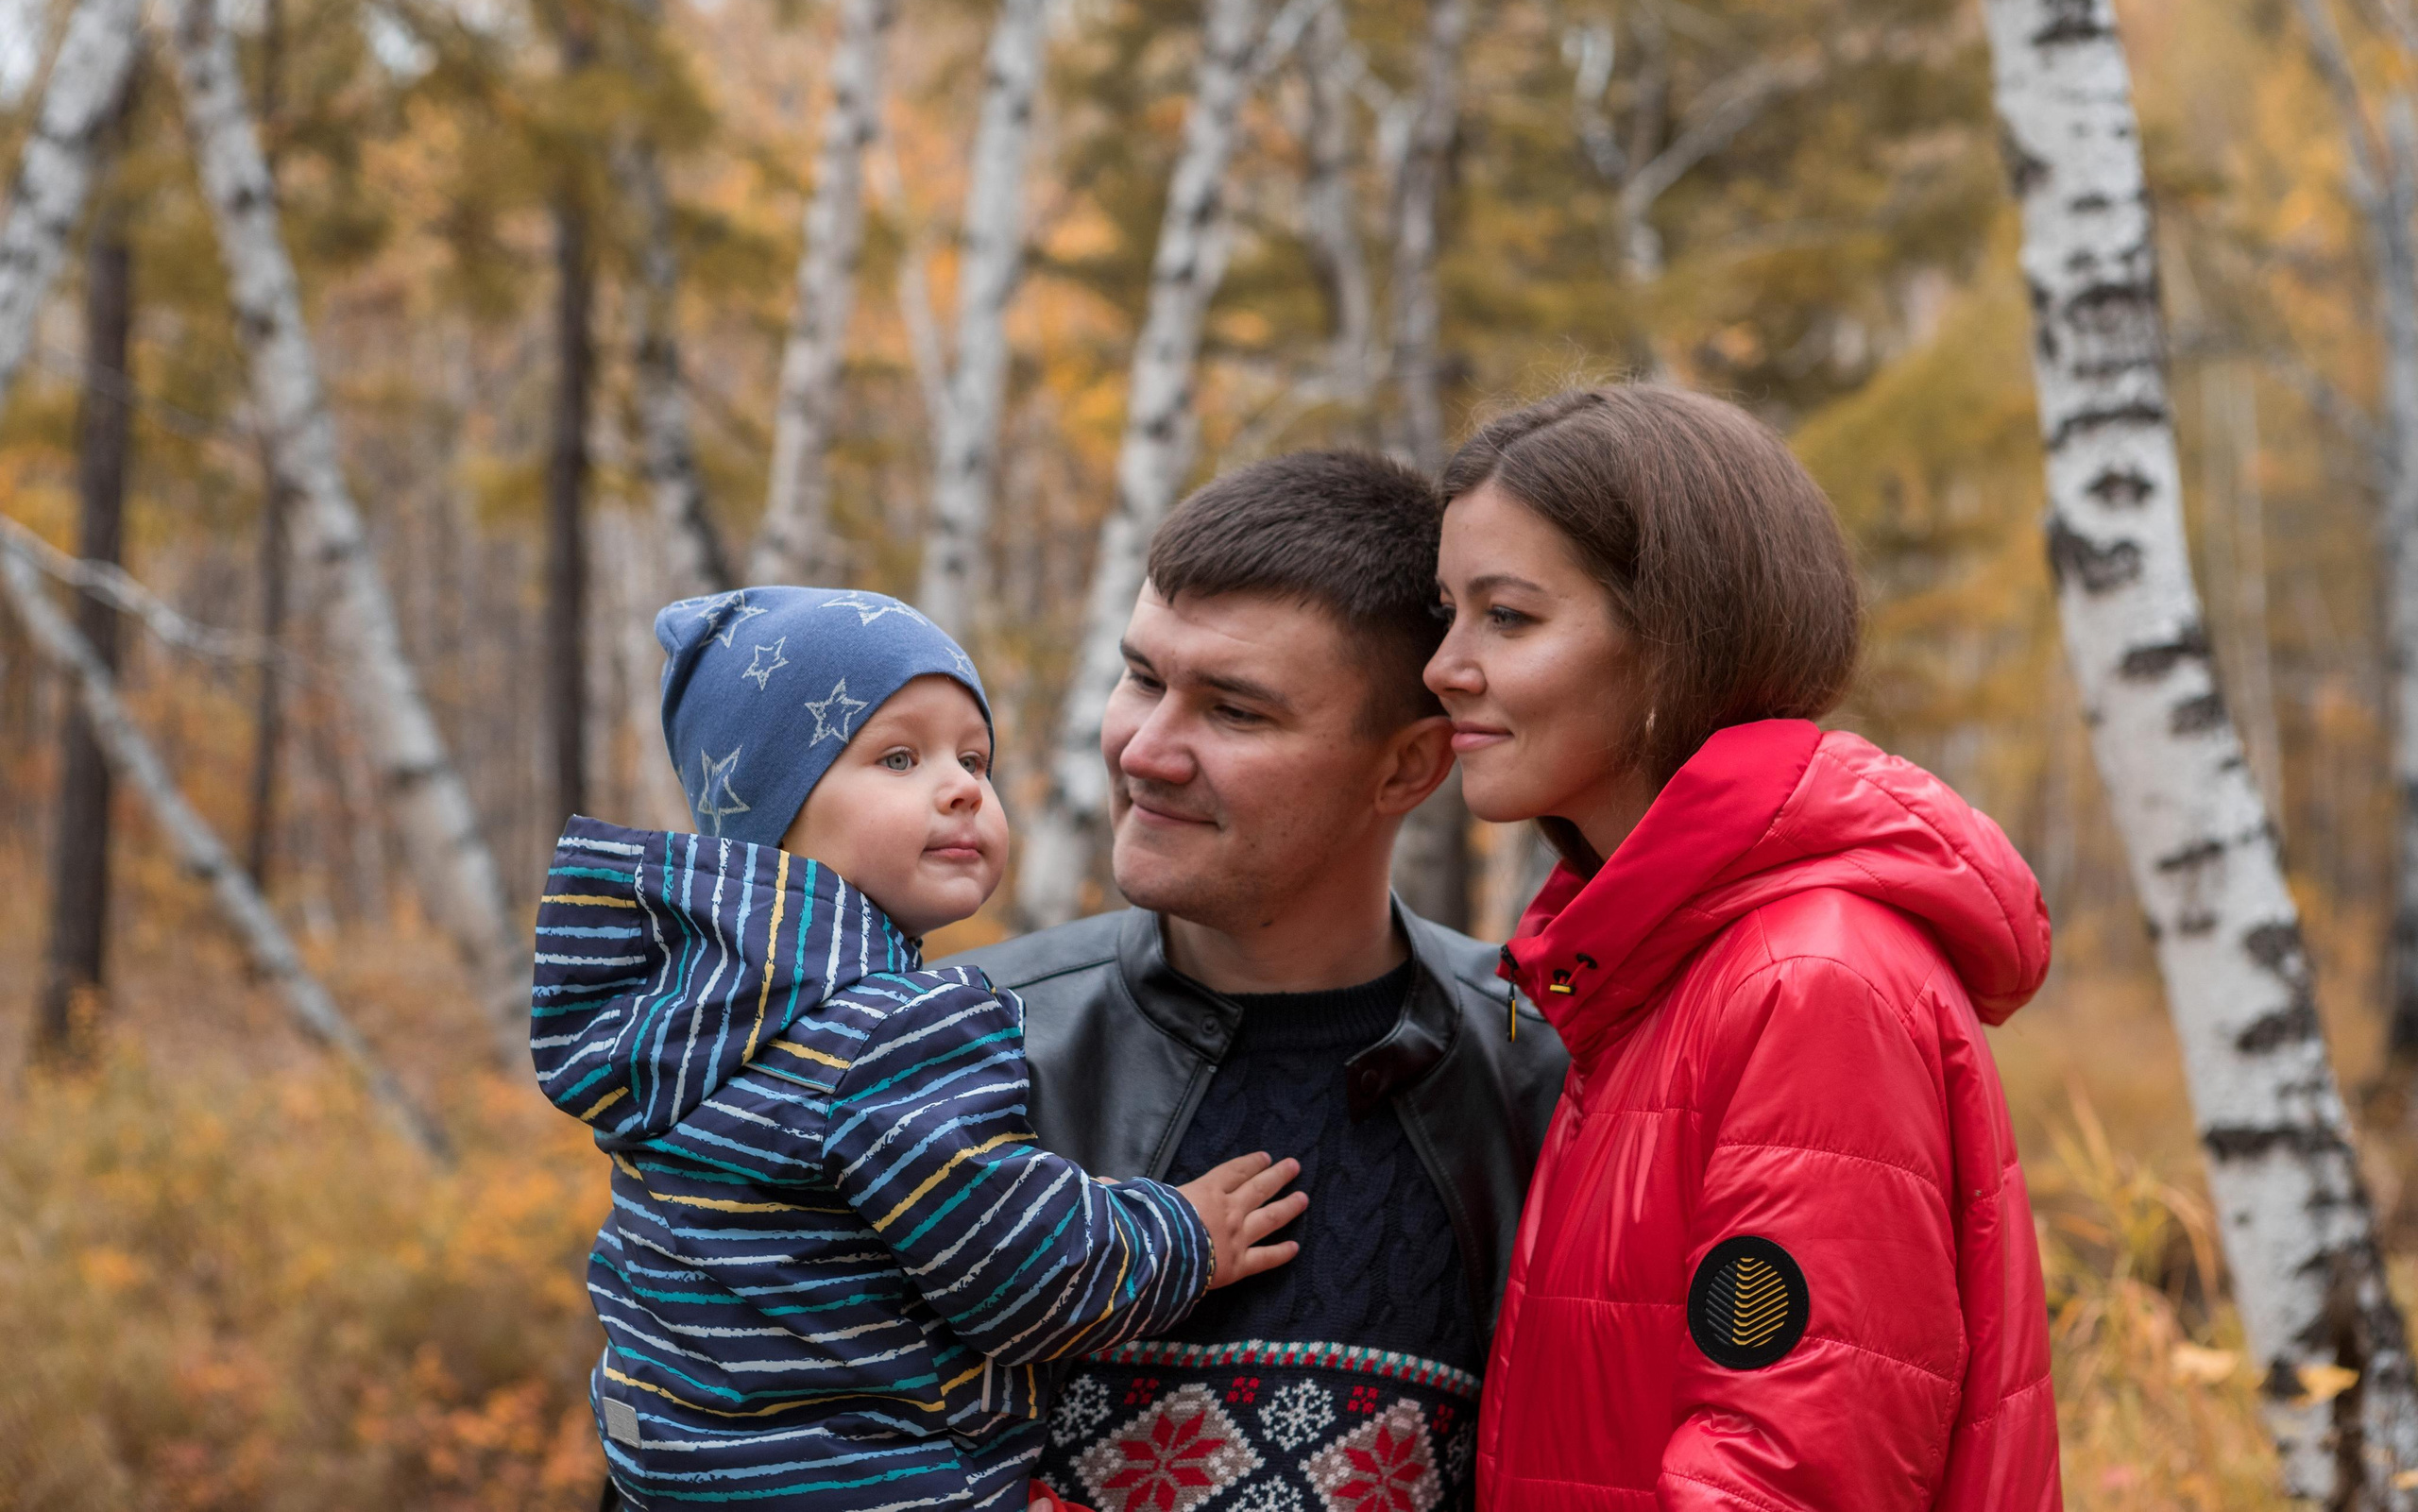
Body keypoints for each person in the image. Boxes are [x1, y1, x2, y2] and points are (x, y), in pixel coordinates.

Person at [530, 586, 1307, 1512]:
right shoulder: (893, 1029)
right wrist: (1183, 1235)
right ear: (774, 812)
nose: (962, 786)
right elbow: (1023, 1271)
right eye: (897, 757)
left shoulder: (674, 1017)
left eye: (975, 758)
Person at [1429, 387, 2060, 1511]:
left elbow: (1787, 1471)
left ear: (1672, 641)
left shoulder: (1805, 981)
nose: (1443, 666)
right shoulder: (1652, 967)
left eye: (1508, 618)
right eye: (1447, 613)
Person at [976, 451, 1571, 1512]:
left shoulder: (1544, 1075)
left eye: (1235, 712)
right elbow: (719, 1428)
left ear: (1408, 767)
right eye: (1144, 678)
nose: (1146, 751)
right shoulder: (958, 1048)